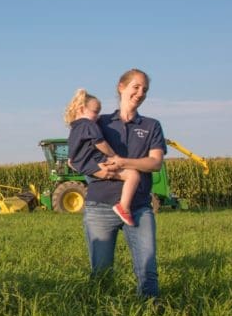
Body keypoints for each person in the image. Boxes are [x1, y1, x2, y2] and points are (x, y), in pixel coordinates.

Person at [69, 70, 166, 298]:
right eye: (136, 86)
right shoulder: (98, 121)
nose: (140, 93)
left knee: (148, 271)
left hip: (139, 207)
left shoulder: (152, 126)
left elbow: (155, 163)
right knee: (101, 274)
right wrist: (103, 172)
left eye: (145, 89)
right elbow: (77, 160)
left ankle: (150, 314)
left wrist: (123, 162)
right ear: (121, 87)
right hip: (100, 206)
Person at [64, 88, 140, 226]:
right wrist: (114, 156)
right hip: (98, 162)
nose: (98, 117)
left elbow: (71, 160)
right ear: (81, 109)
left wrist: (87, 168)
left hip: (88, 168)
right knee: (133, 175)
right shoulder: (88, 124)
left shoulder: (74, 129)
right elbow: (100, 143)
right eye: (95, 112)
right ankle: (124, 207)